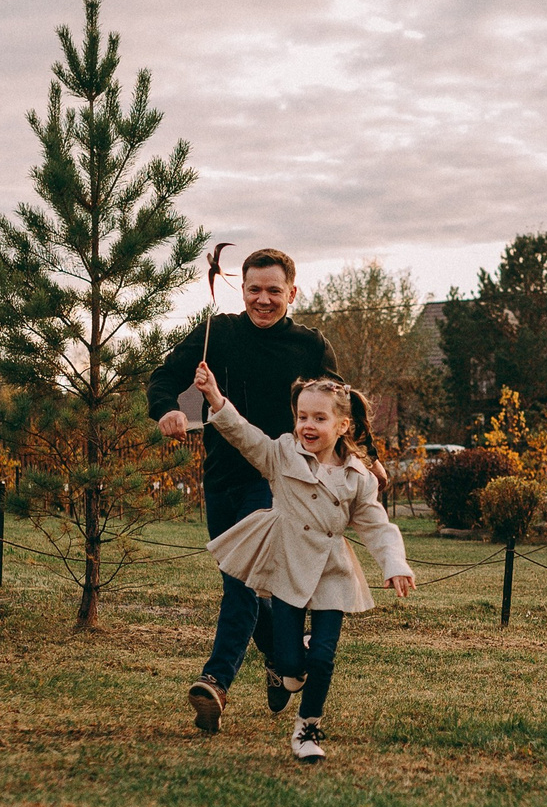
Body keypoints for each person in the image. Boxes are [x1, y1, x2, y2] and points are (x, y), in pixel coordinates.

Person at [147, 248, 341, 733]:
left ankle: (215, 681)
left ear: (291, 294)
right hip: (222, 477)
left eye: (274, 290)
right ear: (243, 290)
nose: (263, 299)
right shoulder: (220, 333)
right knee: (242, 578)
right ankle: (282, 658)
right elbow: (165, 377)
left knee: (242, 582)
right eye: (254, 288)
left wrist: (366, 457)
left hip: (278, 480)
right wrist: (168, 409)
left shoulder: (310, 346)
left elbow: (342, 409)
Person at [190, 362, 413, 762]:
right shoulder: (281, 454)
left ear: (343, 425)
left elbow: (377, 525)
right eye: (301, 416)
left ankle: (307, 729)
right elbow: (244, 435)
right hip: (288, 565)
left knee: (323, 658)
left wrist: (395, 563)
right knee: (291, 665)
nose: (307, 425)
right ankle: (293, 659)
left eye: (319, 418)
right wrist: (214, 397)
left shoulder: (358, 477)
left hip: (332, 572)